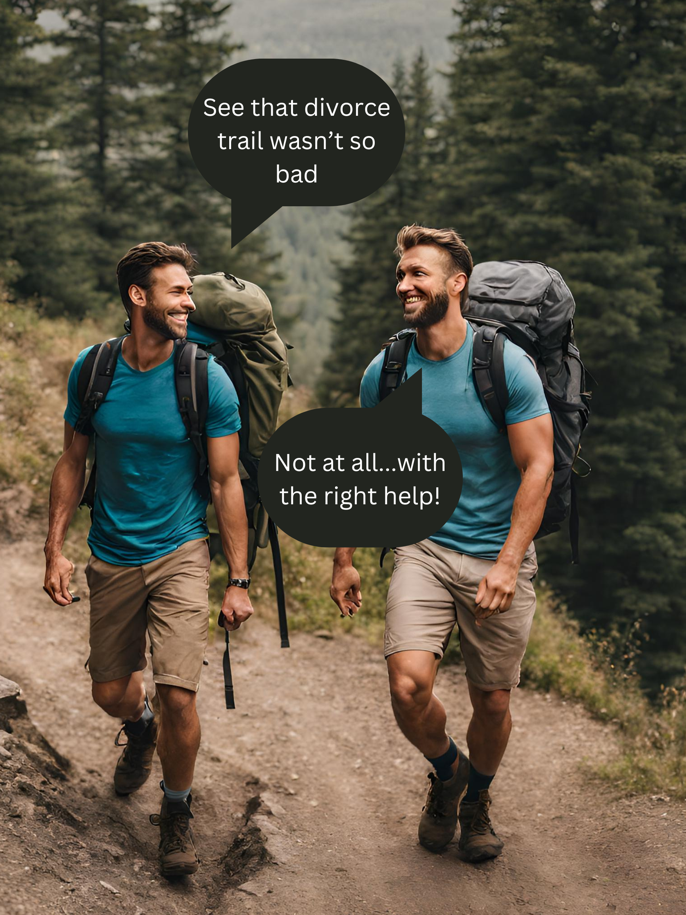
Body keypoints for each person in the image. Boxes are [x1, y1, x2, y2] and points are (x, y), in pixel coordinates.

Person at [330, 225, 554, 862]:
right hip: (423, 548)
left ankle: (478, 798)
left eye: (417, 274)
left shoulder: (502, 364)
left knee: (492, 698)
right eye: (400, 274)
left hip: (496, 554)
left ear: (456, 284)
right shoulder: (390, 368)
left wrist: (509, 563)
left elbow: (538, 466)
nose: (403, 284)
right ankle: (449, 774)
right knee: (407, 686)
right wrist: (344, 558)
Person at [43, 242, 254, 878]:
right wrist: (53, 549)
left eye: (190, 292)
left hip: (181, 552)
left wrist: (238, 579)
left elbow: (225, 483)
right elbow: (73, 460)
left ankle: (177, 811)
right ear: (139, 298)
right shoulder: (95, 369)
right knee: (110, 689)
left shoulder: (203, 376)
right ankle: (137, 731)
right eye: (177, 292)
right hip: (110, 552)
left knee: (178, 695)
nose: (189, 302)